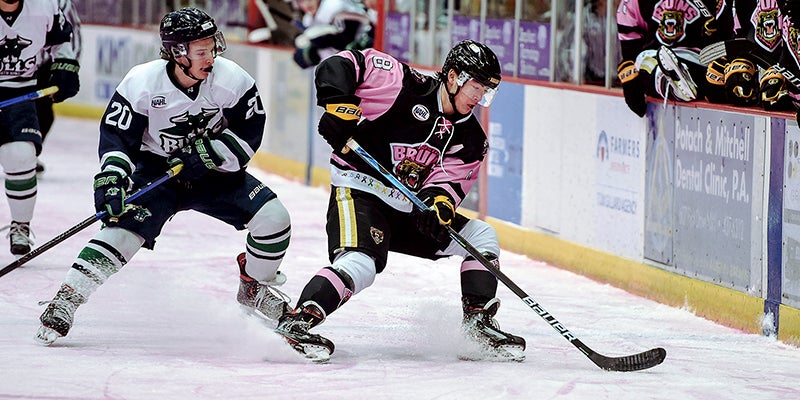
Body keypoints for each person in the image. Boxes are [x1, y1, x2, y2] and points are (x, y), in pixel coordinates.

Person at [34, 7, 292, 345]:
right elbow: (118, 137)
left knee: (274, 219)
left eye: (212, 47)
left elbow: (249, 132)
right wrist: (112, 179)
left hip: (211, 171)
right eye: (201, 51)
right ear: (177, 53)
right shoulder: (143, 83)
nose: (211, 56)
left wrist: (208, 154)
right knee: (123, 232)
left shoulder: (232, 79)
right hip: (156, 170)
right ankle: (66, 298)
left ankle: (254, 288)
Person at [274, 40, 526, 363]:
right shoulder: (404, 85)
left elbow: (446, 186)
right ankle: (298, 320)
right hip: (360, 189)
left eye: (485, 91)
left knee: (481, 236)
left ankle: (478, 325)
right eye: (474, 86)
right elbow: (341, 65)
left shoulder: (473, 141)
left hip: (408, 207)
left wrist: (438, 208)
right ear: (452, 77)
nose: (478, 97)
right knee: (361, 264)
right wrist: (339, 107)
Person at [0, 0, 79, 255]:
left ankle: (20, 226)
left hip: (22, 92)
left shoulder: (44, 6)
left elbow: (60, 39)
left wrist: (65, 66)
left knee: (21, 156)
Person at [616, 0, 736, 117]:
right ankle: (674, 82)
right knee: (644, 60)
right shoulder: (634, 2)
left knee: (648, 61)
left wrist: (714, 34)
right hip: (657, 59)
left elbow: (733, 33)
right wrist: (630, 83)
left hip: (701, 61)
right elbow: (630, 50)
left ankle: (678, 83)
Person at [34, 0, 82, 175]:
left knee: (43, 111)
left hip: (42, 65)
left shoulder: (57, 2)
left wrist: (67, 67)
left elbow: (71, 34)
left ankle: (29, 153)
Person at [291, 0, 373, 68]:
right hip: (356, 57)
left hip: (370, 37)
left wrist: (328, 39)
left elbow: (346, 40)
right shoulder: (308, 20)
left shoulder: (332, 4)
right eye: (301, 1)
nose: (307, 3)